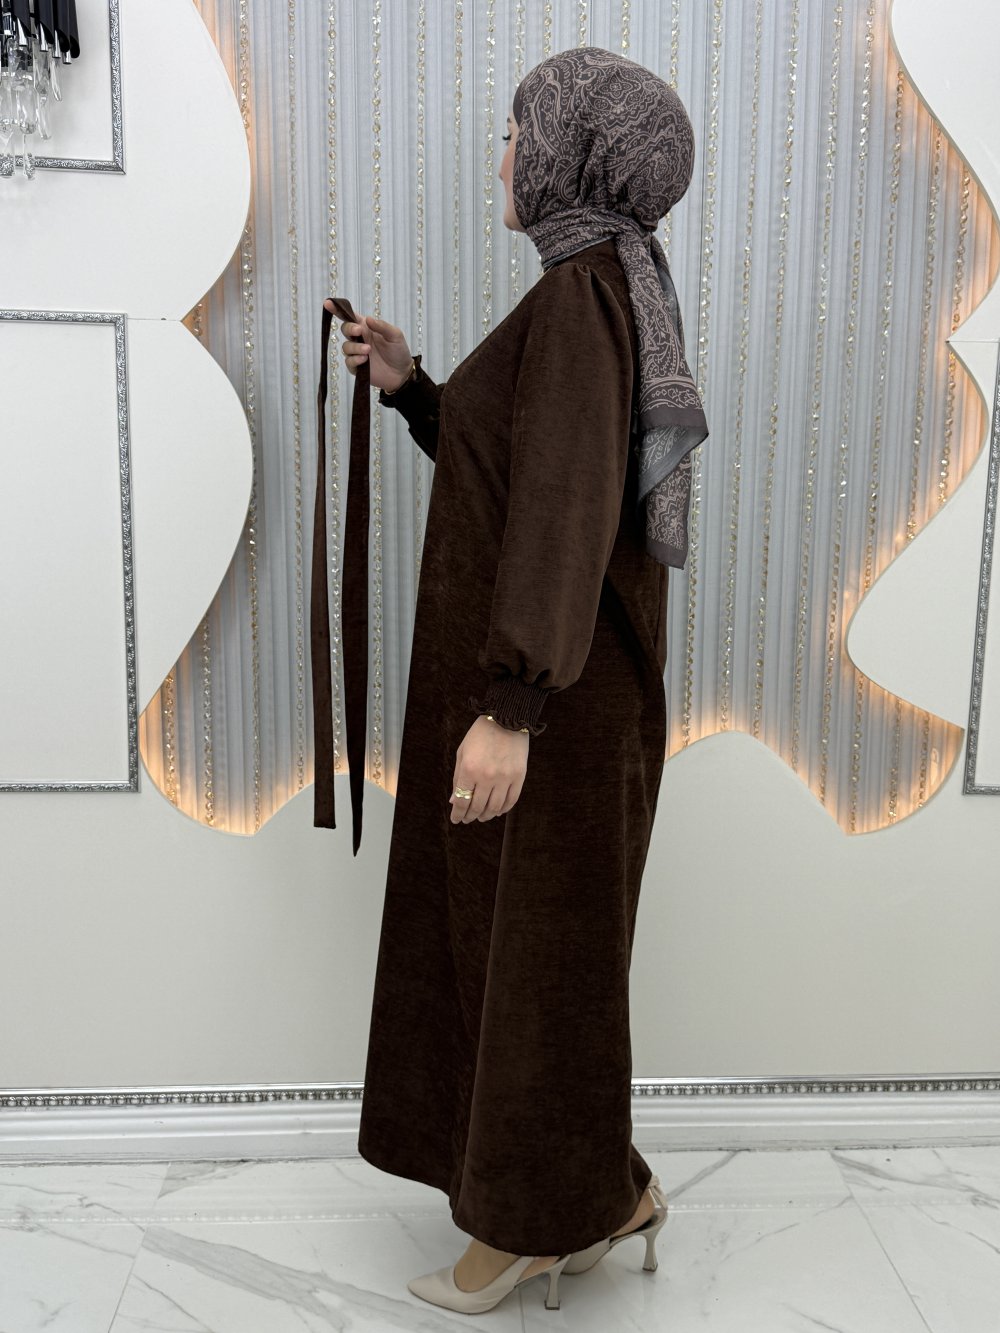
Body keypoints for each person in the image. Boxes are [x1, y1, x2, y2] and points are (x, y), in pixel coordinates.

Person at [324, 45, 706, 1317]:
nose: (502, 156)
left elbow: (562, 512)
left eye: (514, 132)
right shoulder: (584, 292)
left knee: (538, 972)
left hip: (556, 715)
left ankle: (533, 1224)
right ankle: (601, 1197)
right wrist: (416, 392)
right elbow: (522, 471)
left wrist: (512, 709)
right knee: (530, 960)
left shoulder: (586, 297)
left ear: (572, 155)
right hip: (556, 709)